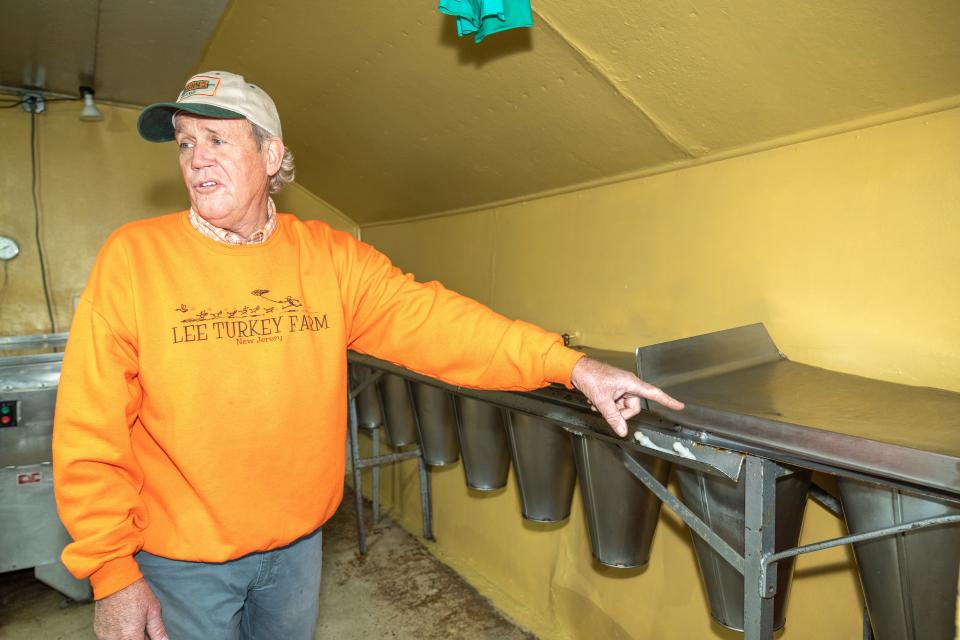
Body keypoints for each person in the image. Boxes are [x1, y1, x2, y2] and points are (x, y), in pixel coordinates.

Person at [53, 70, 683, 640]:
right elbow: (89, 427)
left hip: (297, 549)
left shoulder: (330, 259)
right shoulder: (134, 258)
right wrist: (111, 571)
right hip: (181, 559)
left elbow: (440, 324)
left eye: (219, 140)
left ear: (271, 155)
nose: (196, 160)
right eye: (186, 143)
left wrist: (571, 365)